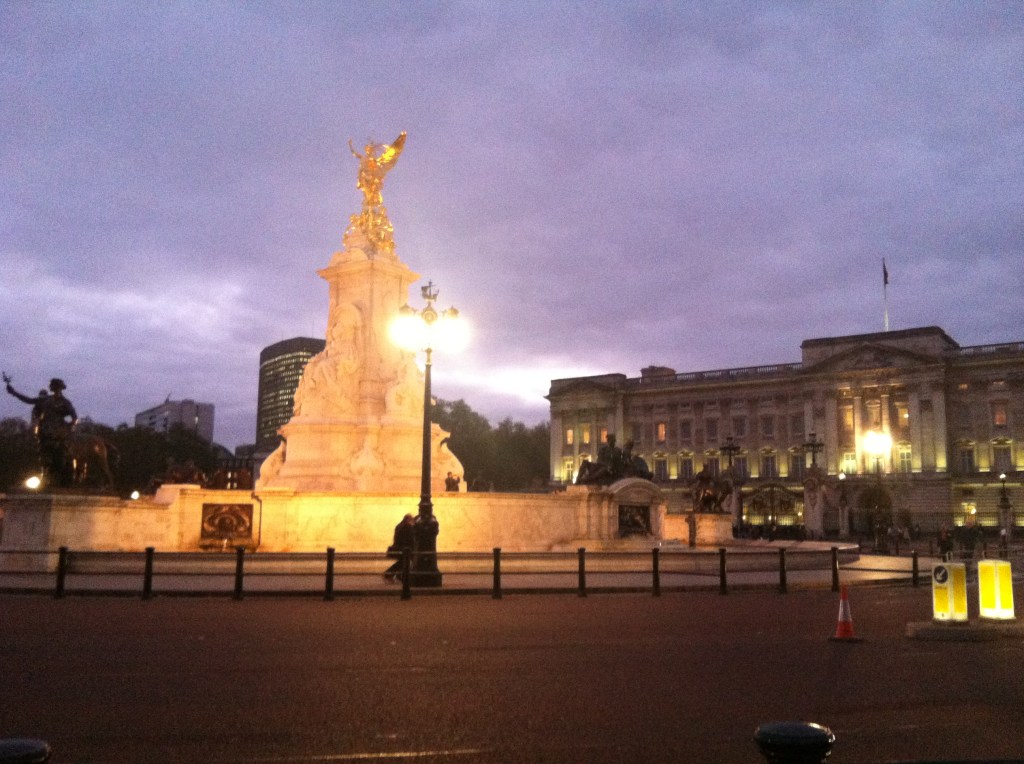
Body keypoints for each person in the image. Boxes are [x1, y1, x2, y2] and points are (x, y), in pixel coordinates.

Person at [5, 376, 78, 487]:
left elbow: (74, 417)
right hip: (45, 431)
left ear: (58, 387)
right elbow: (29, 400)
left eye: (52, 385)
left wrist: (69, 426)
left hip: (59, 432)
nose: (51, 387)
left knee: (61, 455)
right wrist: (14, 392)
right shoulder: (45, 400)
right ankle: (47, 475)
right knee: (44, 454)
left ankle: (63, 478)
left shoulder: (65, 402)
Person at [383, 513, 415, 582]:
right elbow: (410, 538)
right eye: (412, 520)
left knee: (403, 562)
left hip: (398, 547)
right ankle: (389, 574)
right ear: (408, 520)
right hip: (404, 548)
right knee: (405, 562)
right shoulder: (408, 526)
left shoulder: (399, 525)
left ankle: (398, 576)